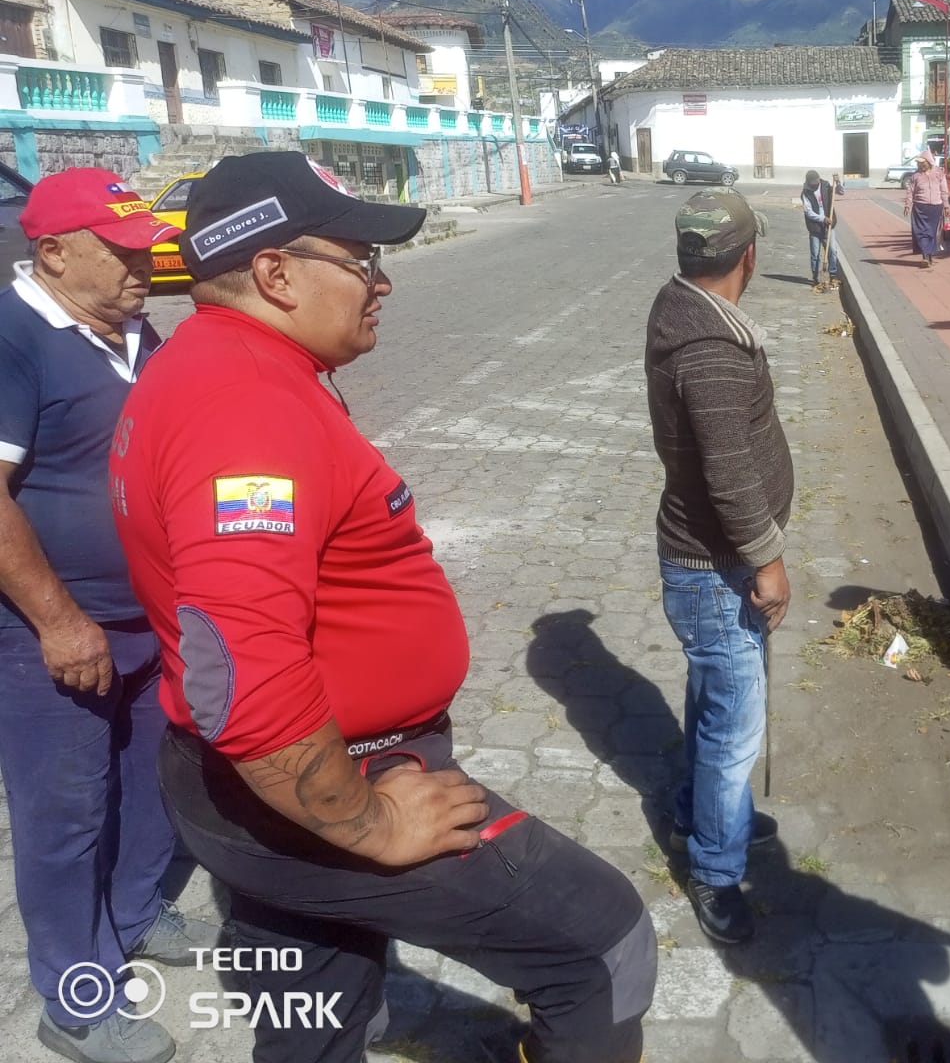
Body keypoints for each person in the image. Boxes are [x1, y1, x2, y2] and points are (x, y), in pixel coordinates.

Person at [109, 152, 656, 1063]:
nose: (382, 282)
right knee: (601, 942)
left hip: (253, 786)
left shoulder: (215, 366)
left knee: (317, 1009)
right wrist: (370, 821)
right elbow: (240, 669)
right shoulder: (245, 406)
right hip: (322, 781)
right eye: (360, 259)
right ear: (276, 273)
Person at [0, 169, 221, 1063]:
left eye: (147, 248)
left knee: (151, 785)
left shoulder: (134, 330)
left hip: (148, 619)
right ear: (54, 253)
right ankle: (74, 997)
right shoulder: (14, 335)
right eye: (122, 251)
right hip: (52, 633)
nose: (145, 265)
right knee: (64, 818)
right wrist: (59, 621)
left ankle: (130, 916)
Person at [646, 188, 791, 945]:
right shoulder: (709, 350)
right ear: (749, 257)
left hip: (702, 561)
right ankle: (714, 865)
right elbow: (730, 476)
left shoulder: (681, 307)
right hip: (717, 567)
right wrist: (768, 561)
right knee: (734, 725)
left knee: (713, 699)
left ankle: (701, 812)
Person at [903, 151, 948, 267]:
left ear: (929, 162)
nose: (920, 165)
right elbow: (910, 191)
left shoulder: (939, 173)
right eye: (919, 163)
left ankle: (929, 256)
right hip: (920, 207)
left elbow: (944, 191)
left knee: (931, 233)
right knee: (921, 232)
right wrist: (907, 205)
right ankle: (925, 257)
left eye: (923, 163)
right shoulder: (916, 175)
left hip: (936, 207)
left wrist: (946, 206)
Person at [800, 169, 841, 291]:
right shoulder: (805, 193)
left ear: (819, 179)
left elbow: (840, 192)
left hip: (829, 226)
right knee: (815, 254)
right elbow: (808, 212)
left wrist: (838, 183)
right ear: (808, 183)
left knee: (832, 250)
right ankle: (816, 278)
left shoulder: (826, 186)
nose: (814, 186)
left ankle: (833, 275)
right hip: (815, 228)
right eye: (812, 184)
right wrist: (823, 219)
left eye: (816, 183)